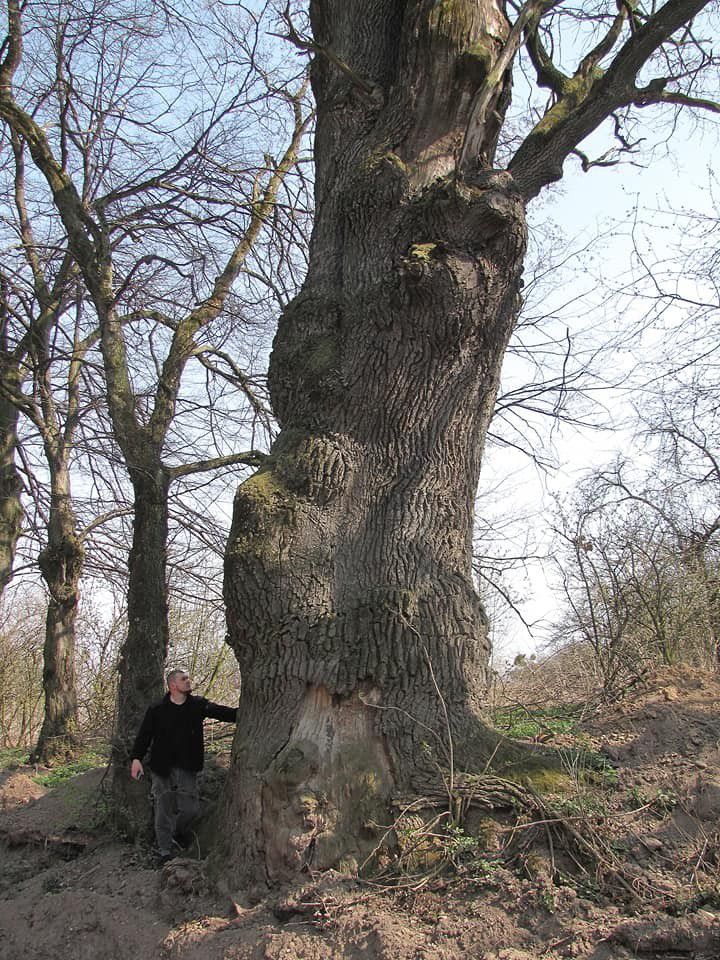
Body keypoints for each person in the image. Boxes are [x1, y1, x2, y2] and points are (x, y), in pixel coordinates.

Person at [130, 668, 238, 863]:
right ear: (173, 685)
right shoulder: (157, 709)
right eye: (184, 679)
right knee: (164, 807)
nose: (189, 681)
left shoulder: (197, 705)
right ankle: (164, 851)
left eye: (188, 678)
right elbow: (144, 736)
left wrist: (243, 713)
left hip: (187, 766)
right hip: (162, 767)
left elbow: (223, 713)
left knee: (190, 809)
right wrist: (136, 758)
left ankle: (178, 832)